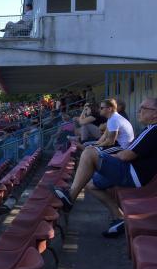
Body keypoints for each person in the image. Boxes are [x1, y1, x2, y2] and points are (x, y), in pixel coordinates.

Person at [53, 98, 157, 237]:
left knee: (89, 153)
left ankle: (70, 197)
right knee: (90, 185)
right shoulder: (150, 129)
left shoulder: (153, 130)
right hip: (133, 171)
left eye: (143, 108)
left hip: (134, 174)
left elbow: (126, 155)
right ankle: (119, 217)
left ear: (155, 114)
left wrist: (106, 158)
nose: (138, 111)